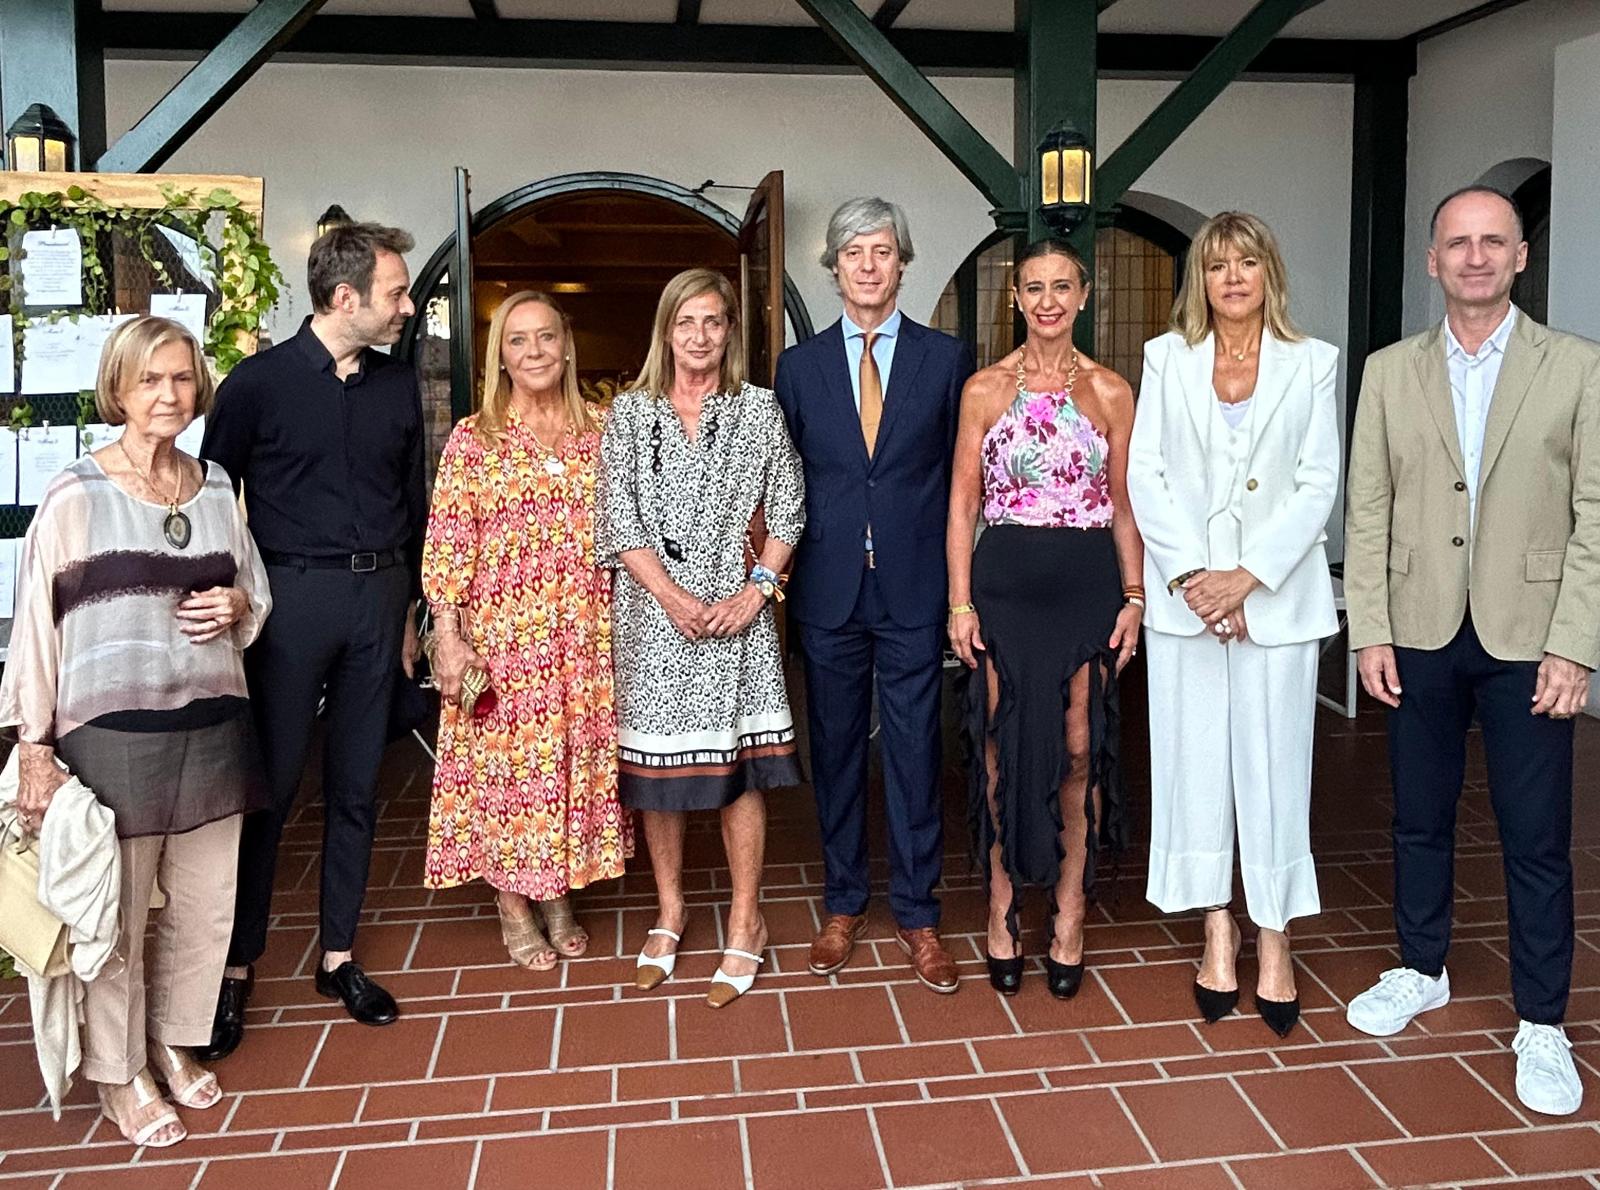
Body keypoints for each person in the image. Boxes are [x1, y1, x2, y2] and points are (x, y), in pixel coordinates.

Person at [1344, 186, 1600, 1114]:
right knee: (1418, 816)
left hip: (1530, 637)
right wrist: (1368, 626)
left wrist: (1575, 646)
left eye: (1494, 242)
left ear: (1521, 256)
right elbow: (1366, 507)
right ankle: (1422, 966)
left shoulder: (1576, 368)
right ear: (1432, 260)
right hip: (1417, 628)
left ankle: (1542, 1022)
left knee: (1536, 838)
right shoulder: (1388, 371)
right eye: (1459, 243)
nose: (1477, 256)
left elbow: (1594, 517)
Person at [1, 315, 271, 1147]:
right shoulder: (76, 493)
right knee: (113, 917)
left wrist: (235, 607)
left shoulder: (218, 485)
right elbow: (35, 630)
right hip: (111, 739)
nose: (168, 395)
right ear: (117, 388)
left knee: (201, 905)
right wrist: (35, 750)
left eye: (182, 379)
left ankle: (171, 1040)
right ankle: (119, 1076)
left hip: (215, 728)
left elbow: (253, 599)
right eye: (150, 379)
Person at [199, 222, 426, 1052]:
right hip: (286, 601)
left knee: (359, 786)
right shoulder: (255, 385)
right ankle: (234, 966)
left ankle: (337, 956)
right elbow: (213, 503)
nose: (406, 308)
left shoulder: (398, 386)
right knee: (272, 789)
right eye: (395, 294)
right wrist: (225, 602)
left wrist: (411, 612)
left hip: (380, 598)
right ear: (345, 297)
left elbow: (415, 501)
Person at [1126, 211, 1339, 1038]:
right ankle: (1217, 926)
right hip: (1189, 611)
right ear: (1201, 281)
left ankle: (1275, 935)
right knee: (1195, 765)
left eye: (1248, 261)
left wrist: (1248, 579)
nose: (1233, 278)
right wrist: (1191, 579)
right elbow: (1146, 474)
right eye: (1217, 266)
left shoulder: (1312, 363)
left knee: (1276, 768)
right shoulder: (1166, 359)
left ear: (1268, 272)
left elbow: (1318, 481)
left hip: (1274, 604)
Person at [775, 197, 975, 994]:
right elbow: (781, 482)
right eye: (853, 251)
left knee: (917, 750)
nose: (867, 264)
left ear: (902, 263)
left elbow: (969, 479)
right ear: (832, 267)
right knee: (835, 752)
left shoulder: (946, 358)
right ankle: (844, 903)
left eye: (883, 250)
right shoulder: (800, 368)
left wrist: (965, 590)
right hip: (827, 591)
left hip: (916, 586)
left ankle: (919, 913)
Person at [600, 268, 804, 1008]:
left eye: (713, 322)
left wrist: (758, 593)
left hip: (736, 619)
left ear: (729, 332)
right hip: (654, 621)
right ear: (666, 330)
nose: (699, 336)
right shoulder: (629, 414)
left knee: (738, 773)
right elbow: (618, 519)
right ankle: (671, 912)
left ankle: (747, 923)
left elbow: (788, 511)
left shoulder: (759, 410)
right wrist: (672, 597)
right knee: (658, 777)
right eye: (686, 322)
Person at [946, 238, 1141, 1001]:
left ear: (1084, 296)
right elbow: (963, 503)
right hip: (1005, 587)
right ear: (1016, 298)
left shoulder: (1113, 392)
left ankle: (1069, 913)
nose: (1049, 300)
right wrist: (959, 602)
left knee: (1078, 746)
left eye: (1063, 286)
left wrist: (1135, 597)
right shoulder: (985, 391)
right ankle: (1001, 908)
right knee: (1000, 742)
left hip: (1087, 583)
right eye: (1035, 287)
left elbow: (1126, 508)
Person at [422, 290, 631, 969]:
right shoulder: (474, 438)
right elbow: (449, 549)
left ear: (567, 346)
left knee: (570, 765)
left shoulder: (601, 430)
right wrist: (450, 640)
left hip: (587, 638)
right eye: (518, 340)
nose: (534, 351)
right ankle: (513, 902)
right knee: (507, 775)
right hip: (506, 643)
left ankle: (557, 887)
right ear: (500, 356)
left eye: (546, 337)